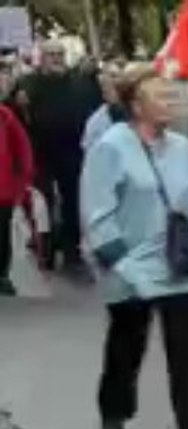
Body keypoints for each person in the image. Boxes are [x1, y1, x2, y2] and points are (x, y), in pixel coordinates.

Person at [80, 65, 188, 429]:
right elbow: (98, 212)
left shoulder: (180, 147)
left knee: (186, 348)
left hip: (178, 262)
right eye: (161, 95)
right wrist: (120, 261)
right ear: (136, 105)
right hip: (132, 266)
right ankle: (115, 413)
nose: (171, 101)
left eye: (171, 94)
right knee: (127, 345)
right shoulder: (110, 147)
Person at [21, 39, 89, 272]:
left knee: (72, 202)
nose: (57, 58)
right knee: (44, 203)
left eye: (60, 54)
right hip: (41, 153)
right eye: (51, 54)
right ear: (42, 57)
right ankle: (46, 248)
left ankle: (73, 250)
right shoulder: (29, 83)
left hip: (71, 151)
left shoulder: (77, 83)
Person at [0, 98, 34, 296]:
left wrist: (24, 179)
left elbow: (22, 147)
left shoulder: (5, 116)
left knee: (2, 233)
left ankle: (2, 275)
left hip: (3, 190)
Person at [82, 62, 126, 151]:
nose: (110, 81)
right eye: (105, 89)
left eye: (114, 76)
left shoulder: (143, 113)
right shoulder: (96, 122)